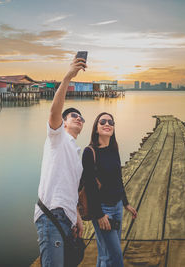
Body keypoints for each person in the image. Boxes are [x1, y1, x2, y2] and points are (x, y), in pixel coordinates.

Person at [34, 57, 87, 266]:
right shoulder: (58, 138)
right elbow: (54, 111)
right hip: (51, 216)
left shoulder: (76, 151)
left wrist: (77, 218)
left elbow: (71, 189)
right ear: (63, 123)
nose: (79, 119)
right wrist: (68, 77)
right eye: (73, 116)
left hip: (67, 219)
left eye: (81, 118)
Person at [82, 112, 137, 267]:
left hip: (117, 207)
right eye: (103, 121)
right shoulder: (89, 152)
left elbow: (118, 179)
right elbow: (91, 186)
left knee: (105, 255)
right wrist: (99, 215)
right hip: (103, 210)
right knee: (115, 257)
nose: (107, 124)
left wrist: (126, 203)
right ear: (96, 128)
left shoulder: (114, 149)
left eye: (111, 122)